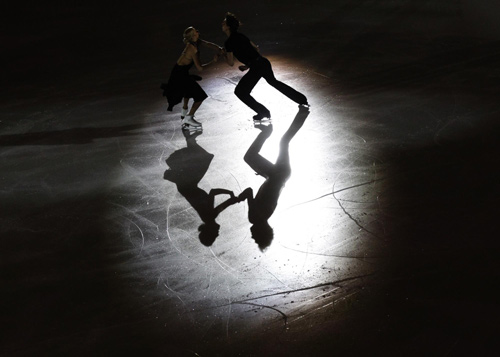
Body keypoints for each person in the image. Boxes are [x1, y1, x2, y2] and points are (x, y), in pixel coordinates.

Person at [221, 12, 309, 121]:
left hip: (257, 66)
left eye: (224, 23)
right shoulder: (241, 36)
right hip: (263, 62)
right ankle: (301, 99)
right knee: (273, 82)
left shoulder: (229, 42)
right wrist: (248, 65)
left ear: (228, 27)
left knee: (240, 92)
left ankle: (263, 112)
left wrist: (224, 55)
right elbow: (255, 49)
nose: (222, 25)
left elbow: (230, 63)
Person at [161, 26, 223, 129]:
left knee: (189, 90)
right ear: (193, 36)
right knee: (200, 96)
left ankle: (185, 110)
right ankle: (189, 118)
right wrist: (214, 62)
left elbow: (208, 44)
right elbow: (200, 68)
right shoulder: (192, 48)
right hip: (179, 76)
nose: (198, 32)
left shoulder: (196, 41)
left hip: (180, 73)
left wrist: (219, 49)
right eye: (196, 32)